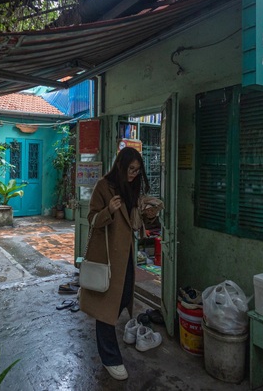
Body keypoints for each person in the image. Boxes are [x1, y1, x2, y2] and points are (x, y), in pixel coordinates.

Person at [79, 147, 153, 381]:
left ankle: (113, 335)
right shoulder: (103, 185)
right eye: (131, 170)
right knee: (105, 306)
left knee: (123, 297)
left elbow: (132, 221)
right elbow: (91, 218)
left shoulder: (131, 186)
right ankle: (110, 356)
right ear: (120, 166)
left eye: (137, 171)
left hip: (126, 255)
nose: (133, 174)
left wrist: (147, 212)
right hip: (107, 255)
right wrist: (107, 211)